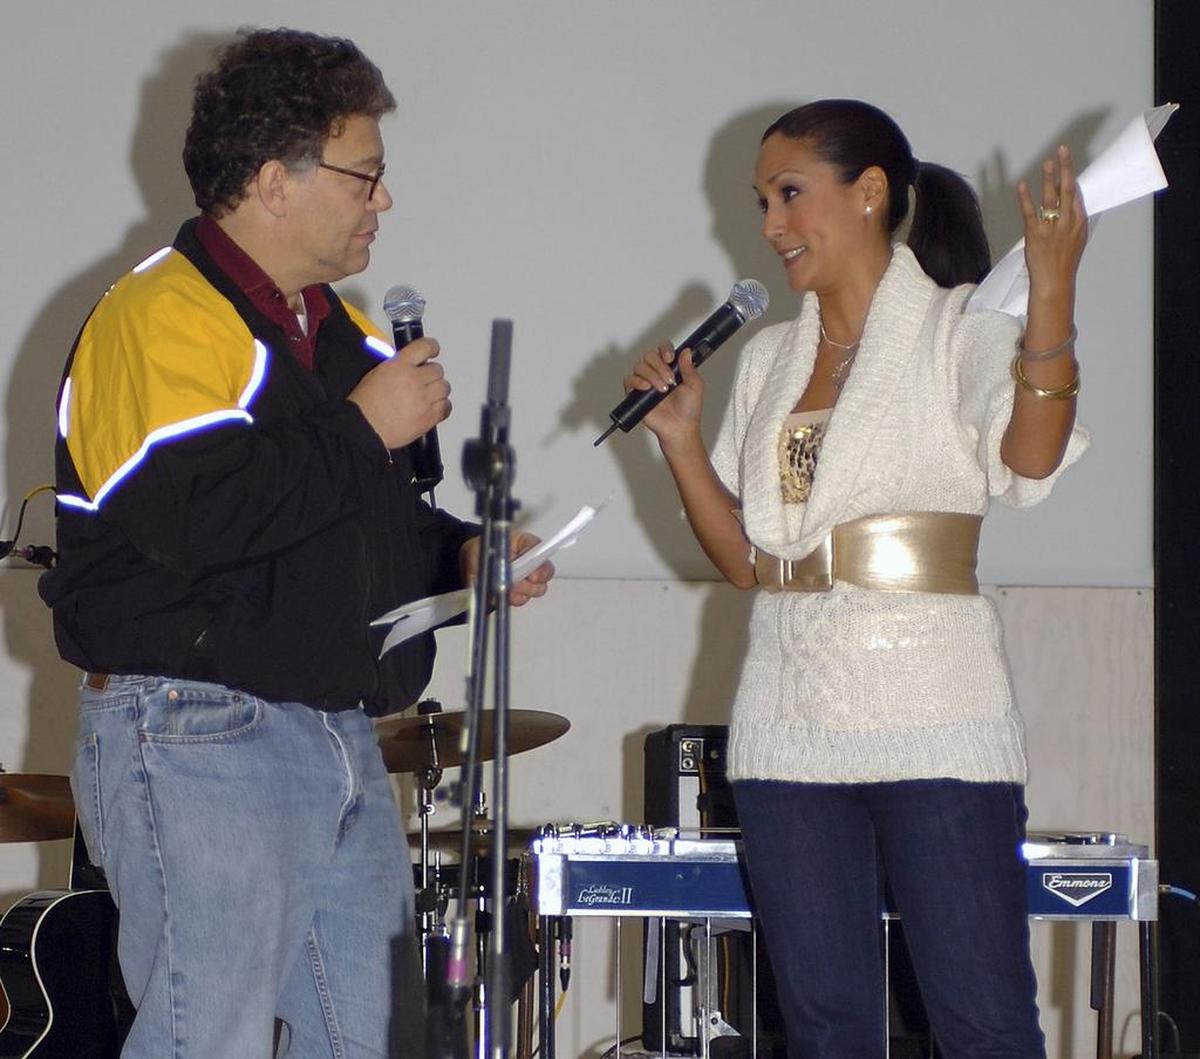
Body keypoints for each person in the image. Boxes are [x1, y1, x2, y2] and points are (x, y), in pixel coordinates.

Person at [38, 27, 551, 1059]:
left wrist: (463, 556)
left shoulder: (343, 332)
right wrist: (363, 425)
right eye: (367, 175)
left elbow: (365, 524)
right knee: (206, 1035)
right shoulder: (159, 315)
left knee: (369, 1040)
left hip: (334, 732)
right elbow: (193, 523)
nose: (383, 202)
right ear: (276, 181)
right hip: (194, 728)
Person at [624, 99, 1088, 1058]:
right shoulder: (767, 365)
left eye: (789, 195)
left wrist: (1050, 295)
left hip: (937, 717)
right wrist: (678, 442)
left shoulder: (959, 332)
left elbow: (1032, 462)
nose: (770, 226)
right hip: (790, 725)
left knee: (981, 1018)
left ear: (869, 194)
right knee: (826, 1028)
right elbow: (752, 562)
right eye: (762, 202)